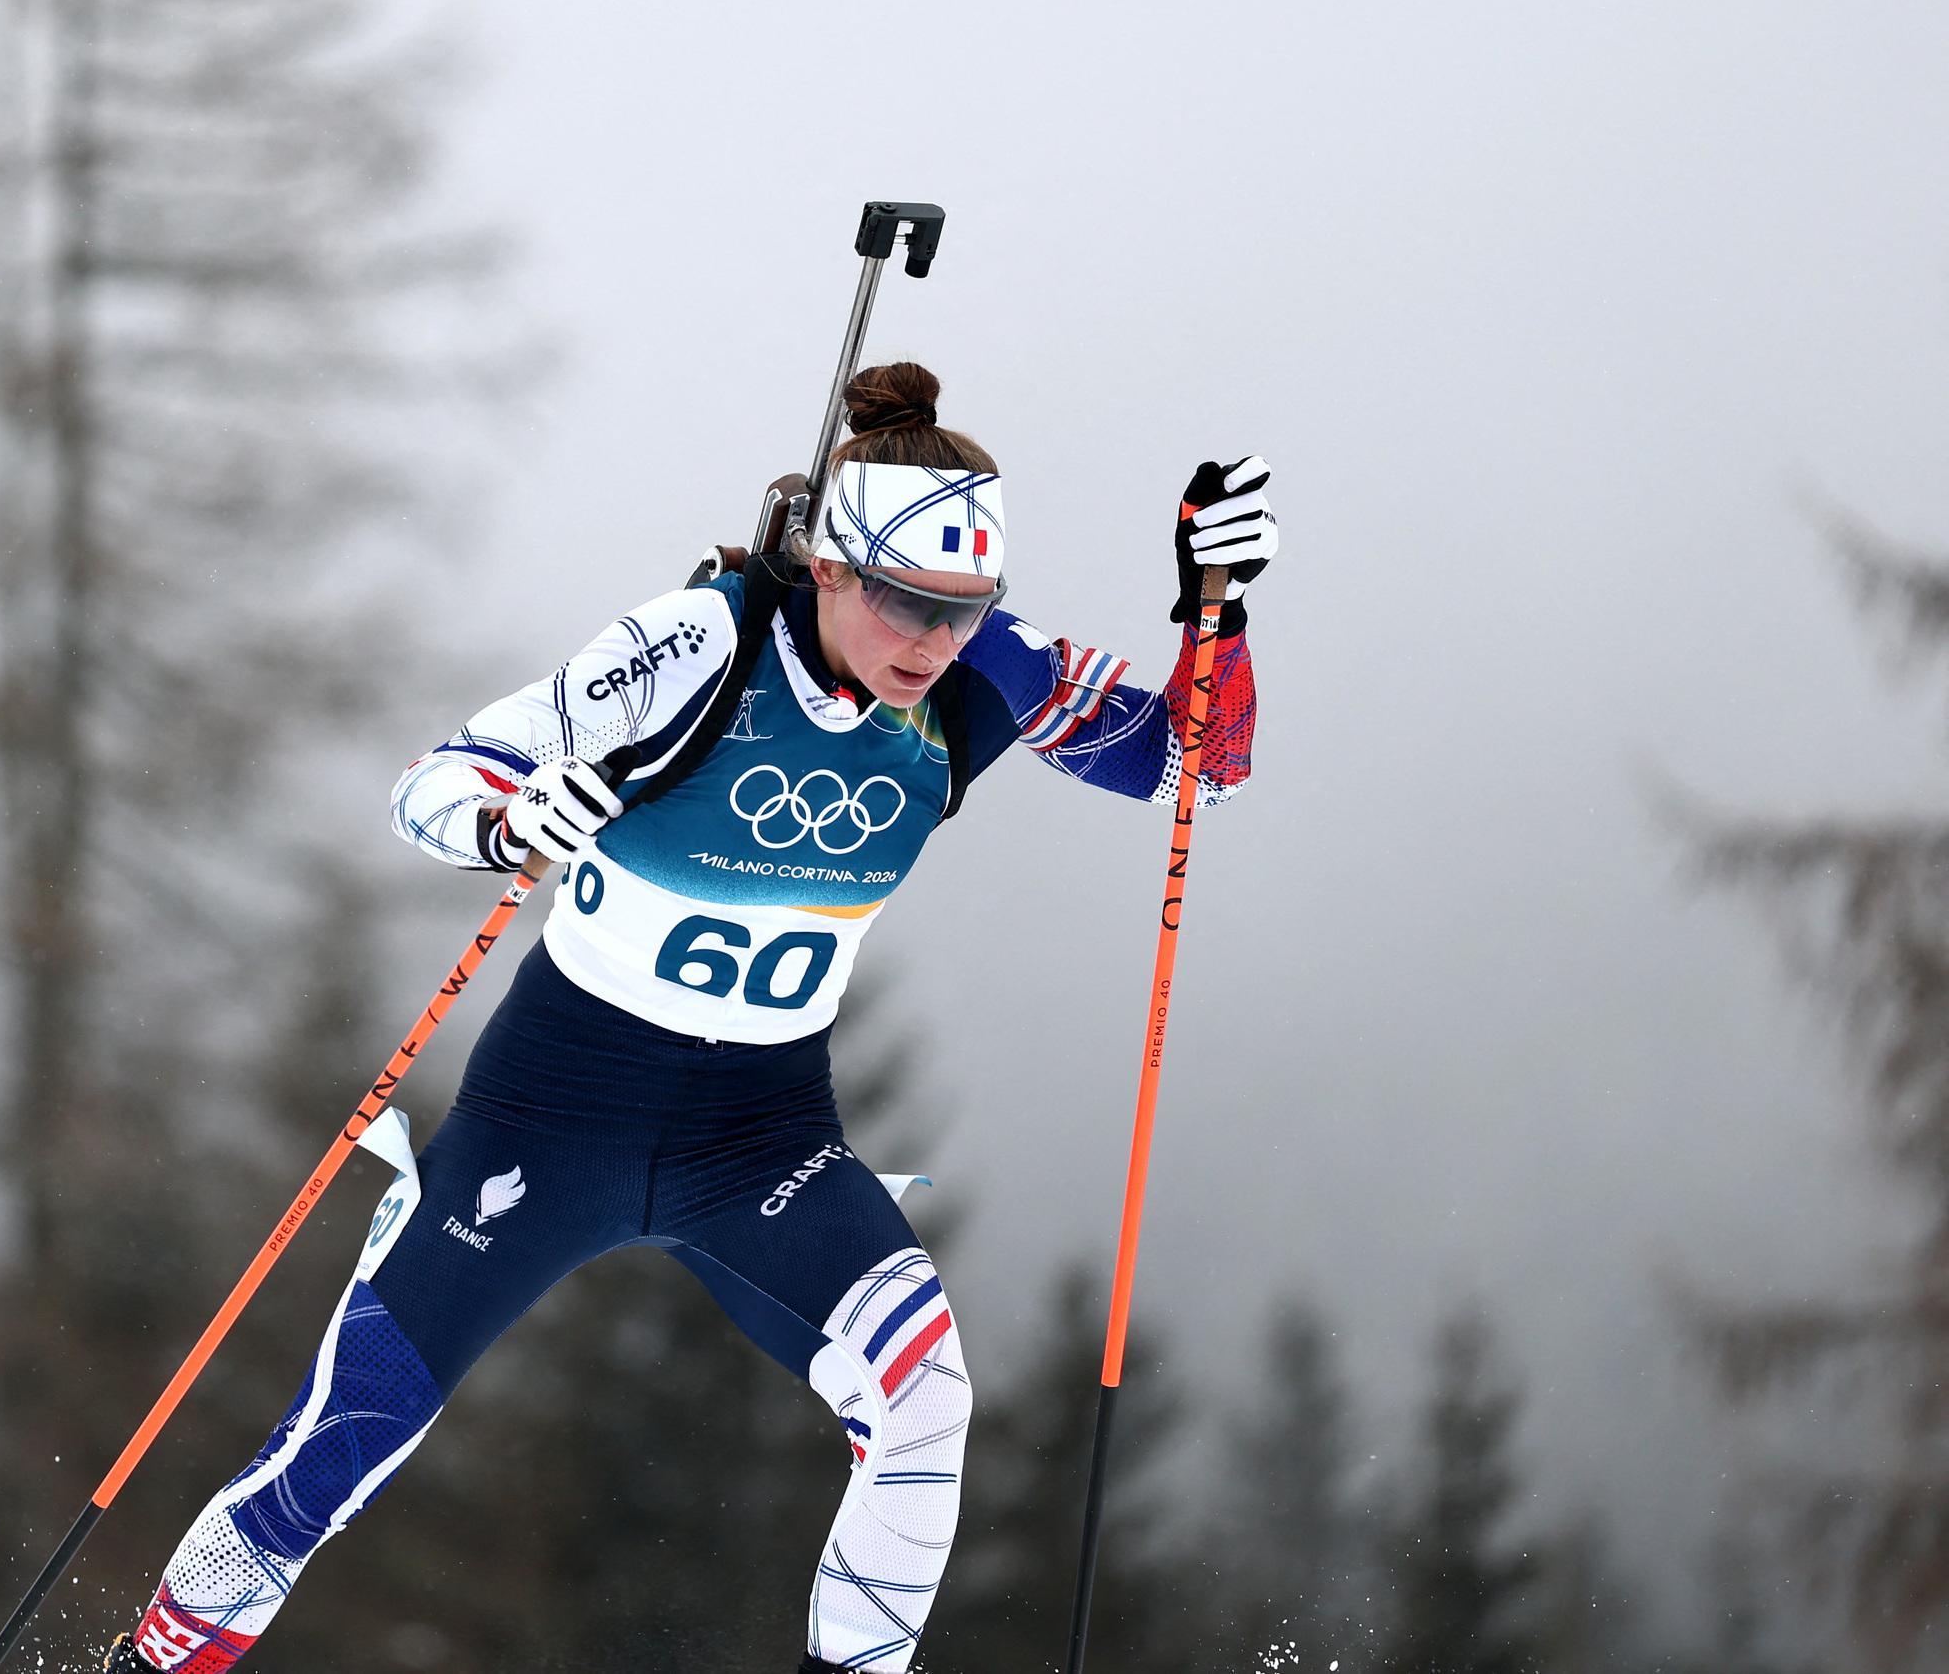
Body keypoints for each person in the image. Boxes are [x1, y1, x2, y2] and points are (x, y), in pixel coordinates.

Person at [99, 361, 1278, 1674]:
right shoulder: (698, 645)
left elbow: (1194, 771)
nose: (935, 641)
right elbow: (434, 783)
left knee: (924, 1403)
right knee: (345, 1439)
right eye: (905, 600)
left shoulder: (982, 674)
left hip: (761, 1141)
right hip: (551, 1120)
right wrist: (512, 819)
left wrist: (1214, 616)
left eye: (966, 606)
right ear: (829, 566)